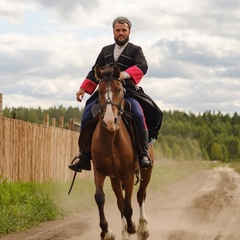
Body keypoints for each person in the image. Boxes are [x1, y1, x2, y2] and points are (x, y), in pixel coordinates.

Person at [69, 16, 161, 172]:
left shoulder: (135, 50)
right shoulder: (105, 51)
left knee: (138, 114)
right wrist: (83, 88)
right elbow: (95, 70)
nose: (121, 33)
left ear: (129, 31)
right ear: (113, 31)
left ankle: (143, 154)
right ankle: (84, 156)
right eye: (118, 30)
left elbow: (142, 66)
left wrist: (123, 75)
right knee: (86, 115)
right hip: (105, 93)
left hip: (128, 92)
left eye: (123, 30)